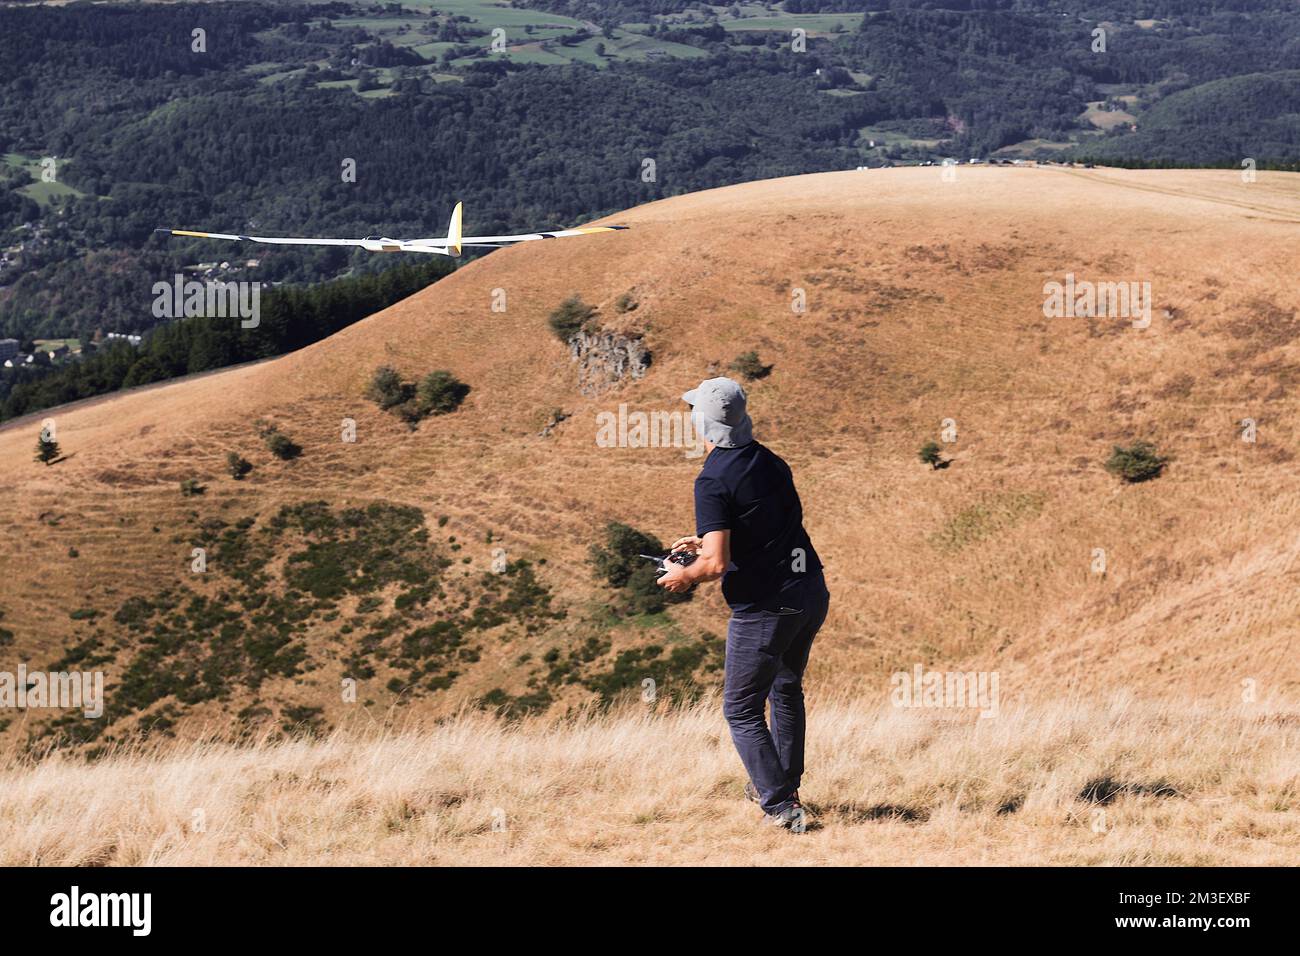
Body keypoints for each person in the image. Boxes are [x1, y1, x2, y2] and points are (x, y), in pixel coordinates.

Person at [657, 377, 828, 830]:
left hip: (766, 607)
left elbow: (714, 566)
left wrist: (683, 574)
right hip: (808, 589)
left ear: (704, 424)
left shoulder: (712, 479)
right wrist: (708, 537)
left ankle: (780, 804)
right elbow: (764, 524)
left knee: (740, 708)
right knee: (786, 689)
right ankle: (785, 784)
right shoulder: (771, 461)